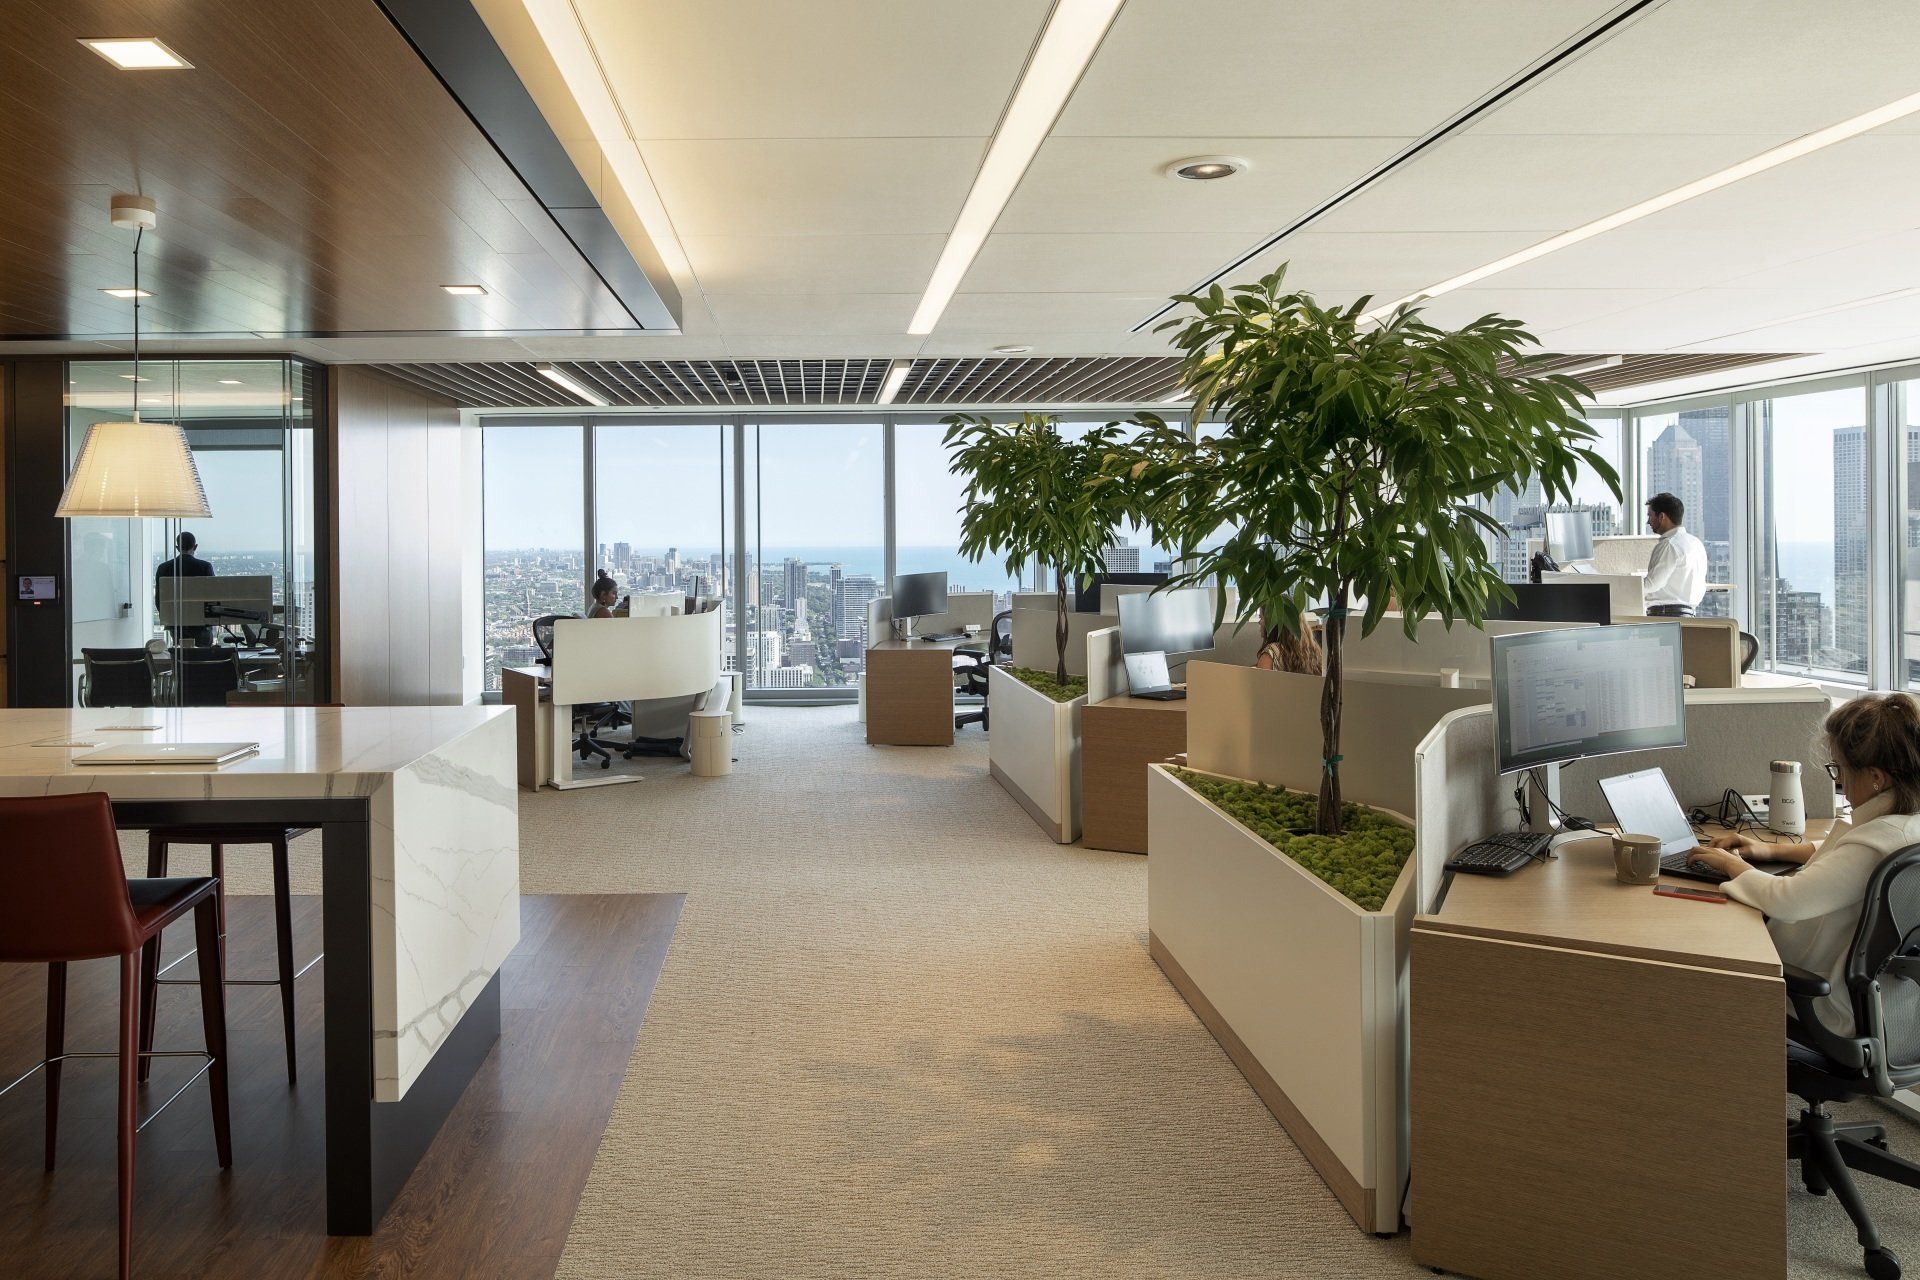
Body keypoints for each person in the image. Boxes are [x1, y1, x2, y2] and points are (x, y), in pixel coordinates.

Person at [1687, 693, 1920, 1035]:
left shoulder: (1875, 842)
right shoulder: (1905, 824)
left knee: (1698, 964)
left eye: (1840, 769)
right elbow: (1846, 858)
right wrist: (1770, 851)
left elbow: (1788, 900)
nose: (1838, 782)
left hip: (1823, 1000)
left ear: (1875, 777)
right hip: (1893, 1001)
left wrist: (1731, 865)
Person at [1641, 491, 1706, 617]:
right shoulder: (1696, 543)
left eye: (1650, 516)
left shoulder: (1669, 545)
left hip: (1665, 616)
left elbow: (1652, 584)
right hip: (1690, 616)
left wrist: (1621, 588)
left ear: (1662, 517)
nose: (1648, 522)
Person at [155, 530, 215, 645]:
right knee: (204, 654)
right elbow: (213, 597)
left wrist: (170, 619)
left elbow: (159, 601)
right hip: (201, 625)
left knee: (180, 654)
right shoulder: (205, 567)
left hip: (176, 625)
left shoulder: (163, 568)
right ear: (195, 547)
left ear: (177, 548)